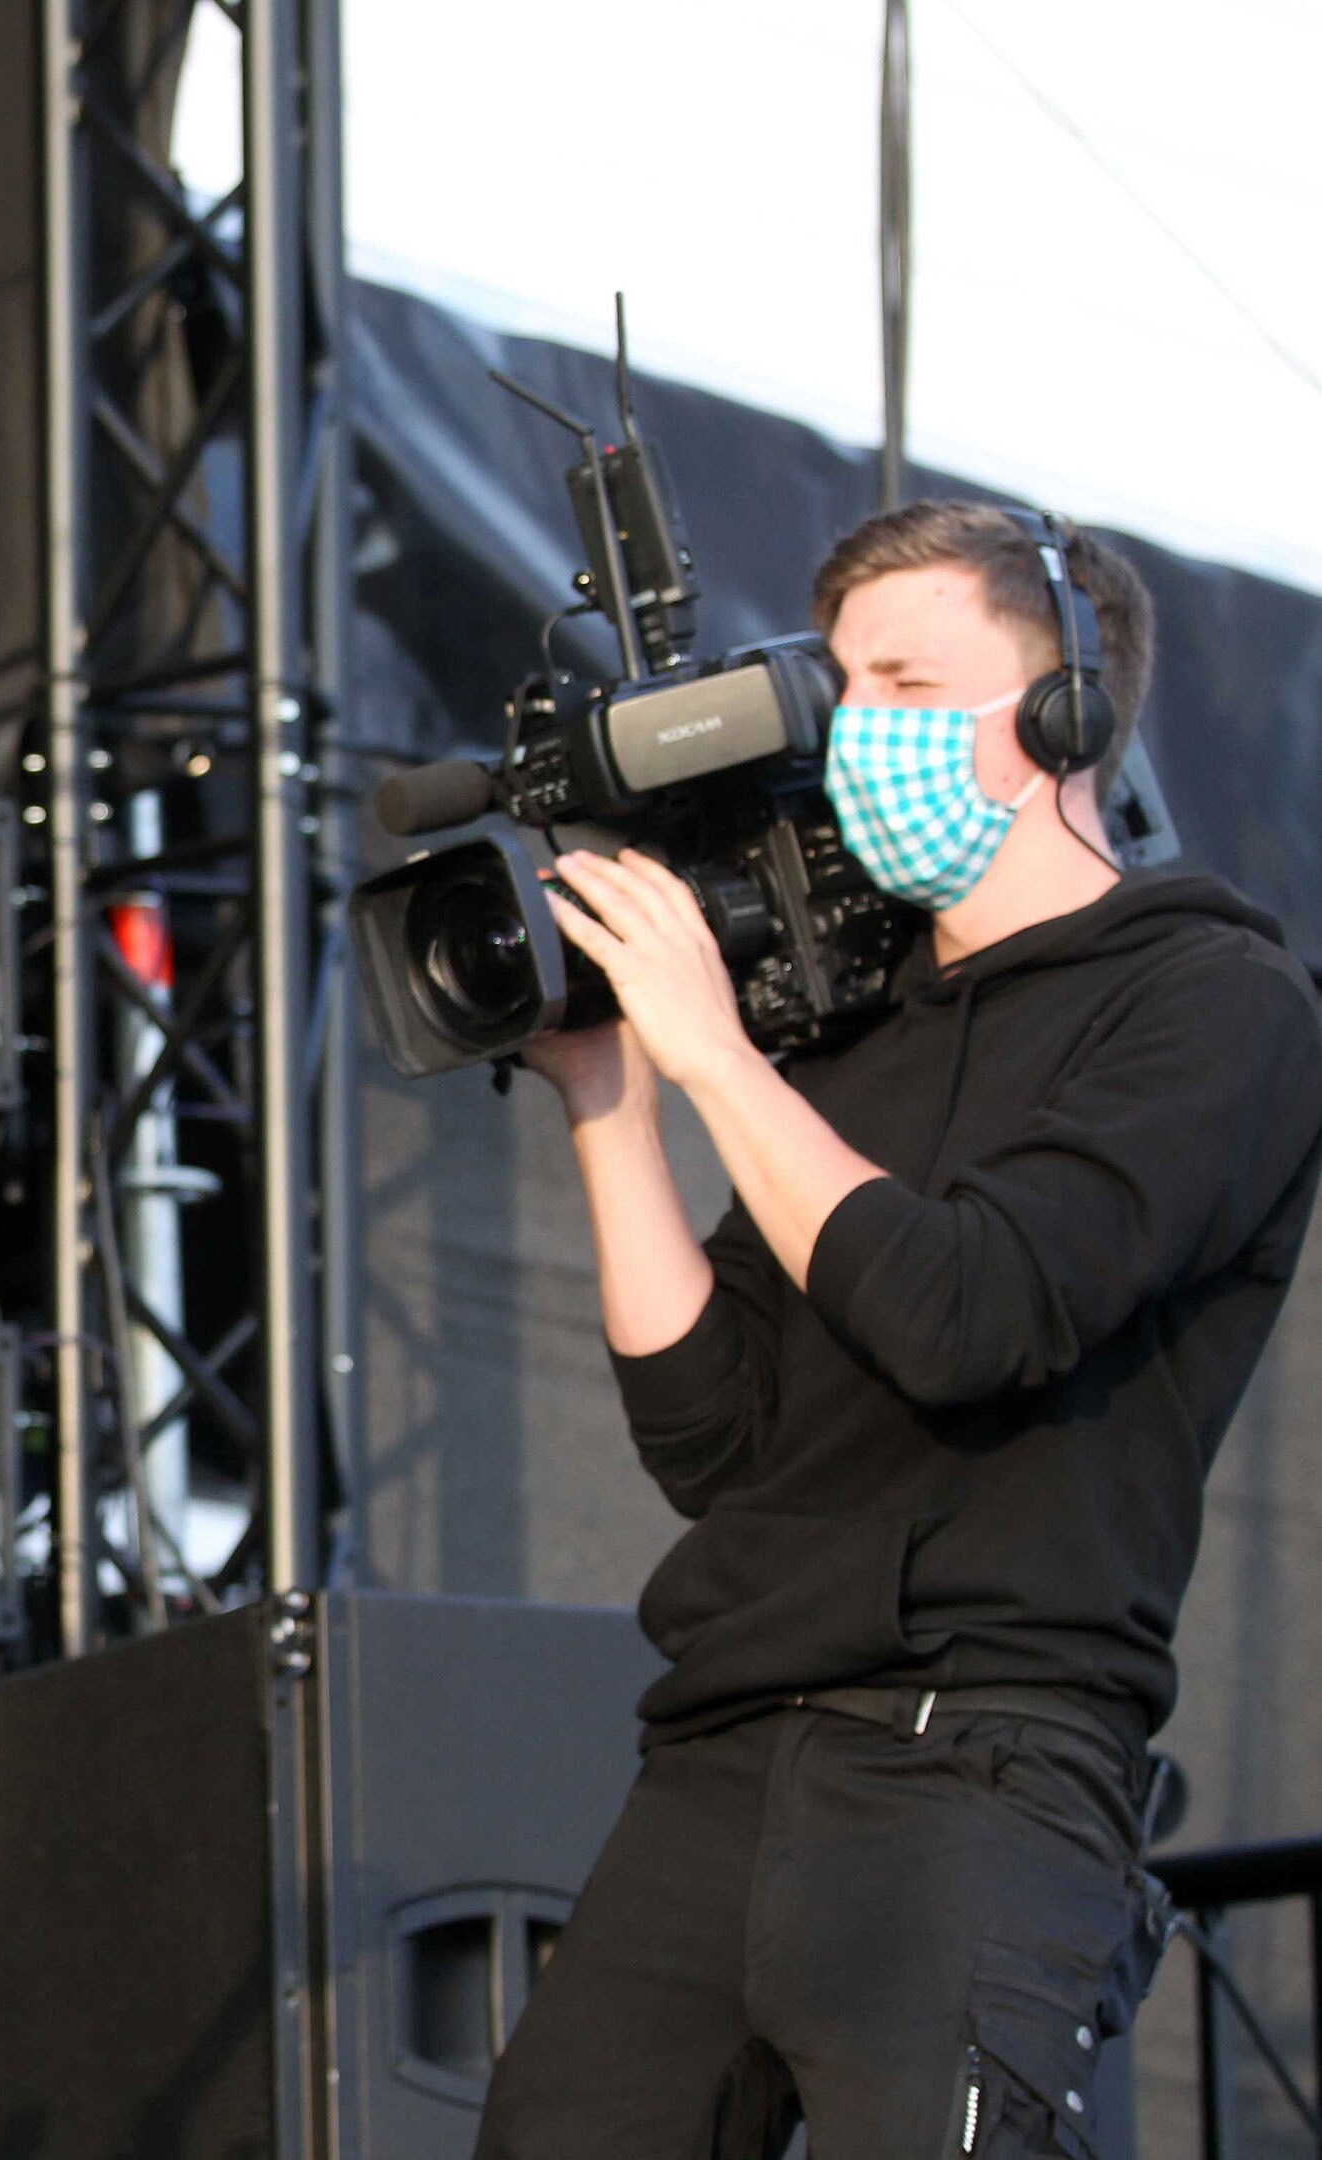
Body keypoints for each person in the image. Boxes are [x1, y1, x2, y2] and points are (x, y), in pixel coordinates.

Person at [475, 500, 1322, 2157]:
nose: (856, 732)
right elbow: (709, 1436)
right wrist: (610, 1105)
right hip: (719, 1757)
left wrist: (715, 1060)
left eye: (903, 679)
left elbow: (966, 1312)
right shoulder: (846, 1050)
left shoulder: (1214, 1003)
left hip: (975, 1762)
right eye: (841, 682)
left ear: (1062, 713)